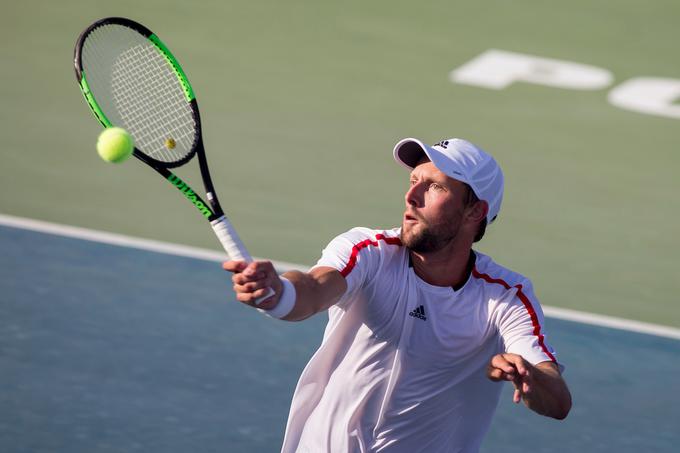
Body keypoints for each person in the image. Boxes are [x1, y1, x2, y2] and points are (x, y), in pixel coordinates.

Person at [223, 137, 572, 453]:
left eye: (434, 186)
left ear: (474, 211)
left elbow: (557, 400)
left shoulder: (506, 297)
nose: (411, 196)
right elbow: (313, 290)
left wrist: (530, 377)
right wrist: (276, 294)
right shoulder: (368, 252)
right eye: (413, 181)